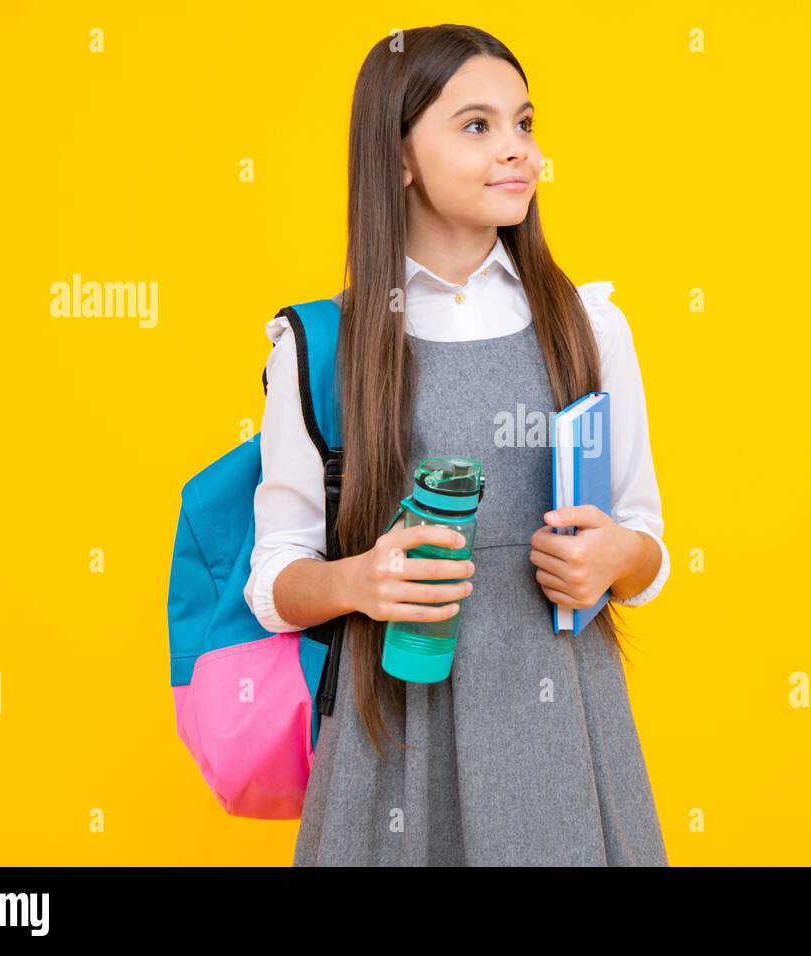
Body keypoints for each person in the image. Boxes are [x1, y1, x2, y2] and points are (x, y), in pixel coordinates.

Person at [243, 24, 670, 866]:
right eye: (477, 126)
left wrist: (617, 557)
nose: (519, 152)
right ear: (398, 156)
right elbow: (275, 580)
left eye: (525, 123)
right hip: (392, 739)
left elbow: (650, 549)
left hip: (564, 740)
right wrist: (358, 580)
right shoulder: (321, 345)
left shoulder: (591, 326)